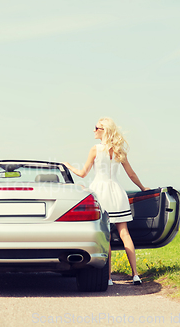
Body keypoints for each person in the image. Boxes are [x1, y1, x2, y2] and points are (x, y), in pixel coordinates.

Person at [63, 117, 149, 286]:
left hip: (101, 193)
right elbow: (131, 174)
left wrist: (68, 165)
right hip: (117, 192)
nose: (93, 130)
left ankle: (108, 278)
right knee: (125, 234)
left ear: (104, 130)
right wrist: (143, 188)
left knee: (106, 237)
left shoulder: (95, 149)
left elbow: (82, 173)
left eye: (96, 128)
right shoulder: (119, 151)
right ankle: (136, 275)